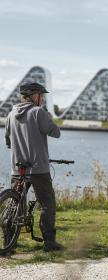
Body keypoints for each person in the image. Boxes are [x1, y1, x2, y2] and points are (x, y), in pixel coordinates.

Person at [4, 82, 63, 252]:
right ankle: (49, 243)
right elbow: (56, 133)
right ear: (33, 95)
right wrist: (50, 119)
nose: (43, 99)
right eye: (41, 95)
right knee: (47, 203)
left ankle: (9, 244)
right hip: (38, 168)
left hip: (17, 168)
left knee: (15, 204)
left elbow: (8, 142)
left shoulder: (11, 114)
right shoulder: (39, 113)